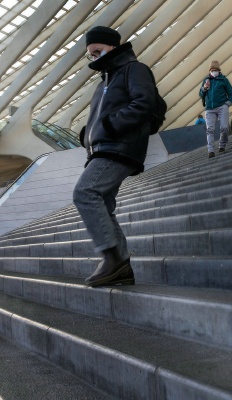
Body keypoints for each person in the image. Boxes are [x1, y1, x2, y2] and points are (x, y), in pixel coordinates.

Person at [73, 26, 157, 287]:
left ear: (112, 46)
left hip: (119, 146)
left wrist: (109, 126)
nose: (94, 57)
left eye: (97, 50)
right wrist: (89, 133)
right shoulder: (104, 82)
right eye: (90, 54)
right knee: (103, 206)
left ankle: (111, 258)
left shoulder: (134, 69)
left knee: (85, 193)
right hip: (103, 148)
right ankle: (121, 266)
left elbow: (145, 103)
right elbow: (101, 116)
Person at [198, 61, 232, 158]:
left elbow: (231, 94)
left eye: (215, 70)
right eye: (212, 70)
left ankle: (222, 144)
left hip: (222, 106)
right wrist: (204, 88)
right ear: (209, 71)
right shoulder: (206, 80)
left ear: (219, 71)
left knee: (224, 128)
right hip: (209, 108)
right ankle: (211, 151)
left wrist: (228, 104)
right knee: (210, 130)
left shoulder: (224, 80)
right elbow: (200, 94)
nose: (213, 72)